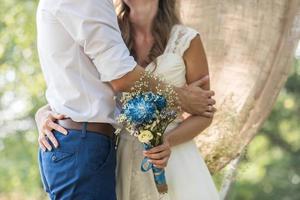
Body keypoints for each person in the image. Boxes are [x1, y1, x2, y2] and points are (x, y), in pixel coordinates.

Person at [35, 0, 216, 199]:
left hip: (173, 159)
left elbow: (205, 111)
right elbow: (83, 84)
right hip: (120, 157)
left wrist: (167, 141)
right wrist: (44, 113)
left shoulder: (186, 39)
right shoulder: (109, 32)